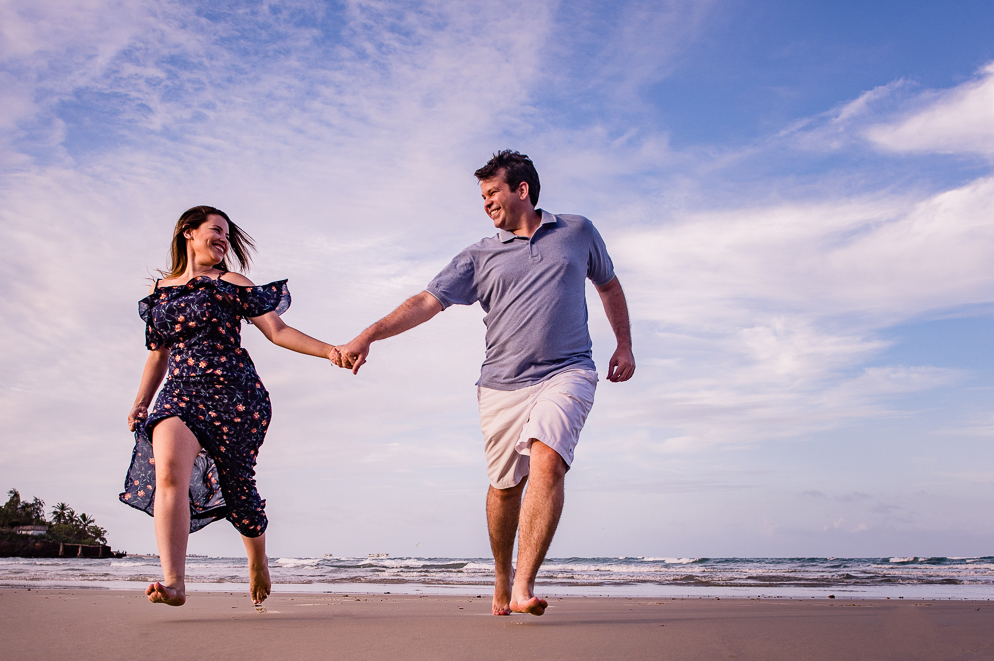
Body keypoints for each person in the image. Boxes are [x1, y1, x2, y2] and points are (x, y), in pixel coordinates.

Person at [336, 151, 635, 616]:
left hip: (569, 369)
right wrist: (369, 334)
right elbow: (425, 301)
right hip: (501, 385)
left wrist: (624, 345)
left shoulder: (577, 232)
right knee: (504, 487)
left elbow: (609, 286)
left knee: (548, 457)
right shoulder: (479, 255)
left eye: (492, 192)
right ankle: (500, 573)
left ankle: (523, 584)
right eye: (482, 196)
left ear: (522, 190)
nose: (486, 203)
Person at [122, 205, 341, 607]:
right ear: (188, 232)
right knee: (169, 472)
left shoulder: (232, 283)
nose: (223, 240)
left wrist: (331, 351)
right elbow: (158, 355)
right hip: (180, 392)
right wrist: (141, 403)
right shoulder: (160, 292)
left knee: (239, 490)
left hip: (235, 395)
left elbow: (278, 331)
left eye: (227, 235)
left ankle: (257, 560)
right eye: (216, 231)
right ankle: (174, 582)